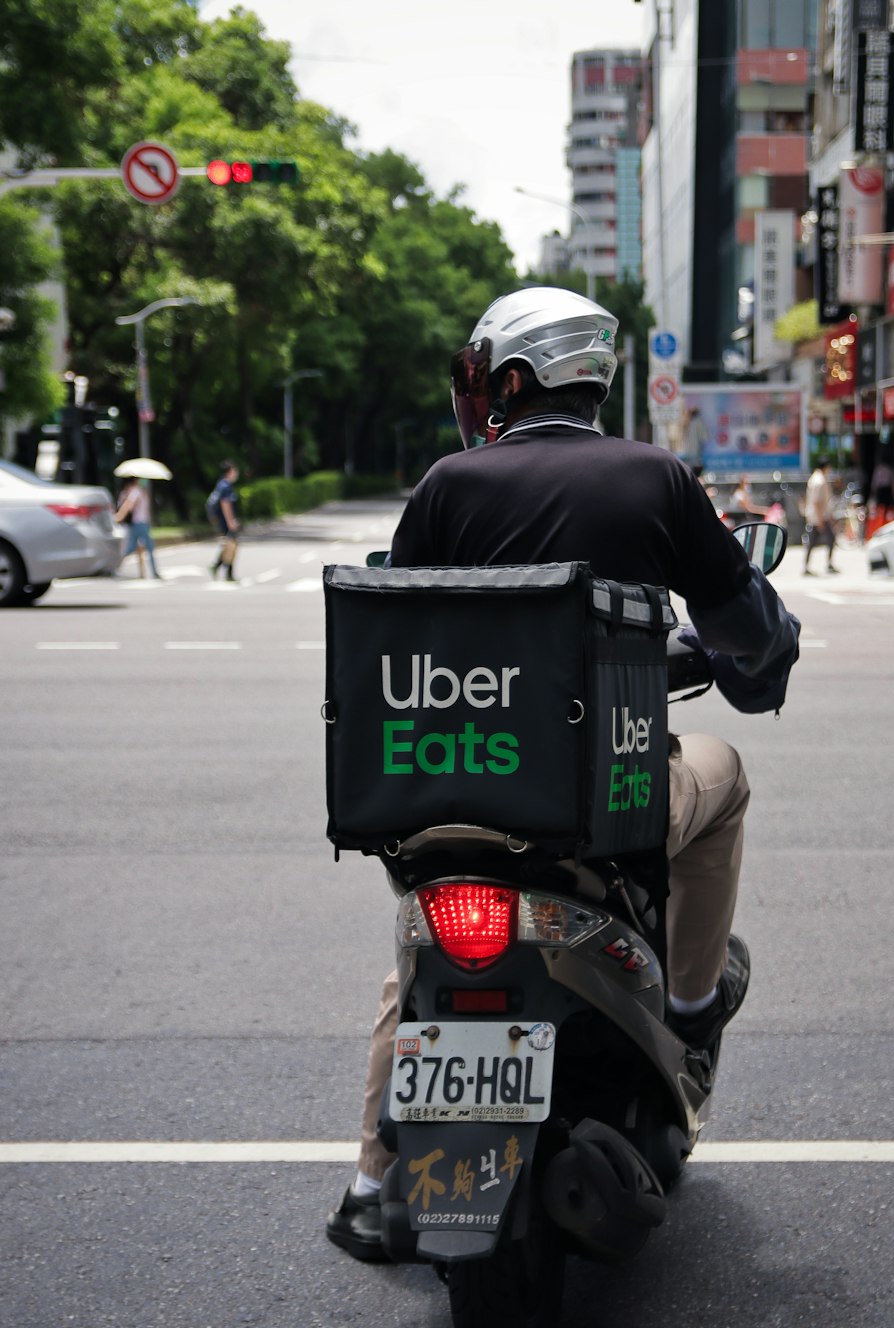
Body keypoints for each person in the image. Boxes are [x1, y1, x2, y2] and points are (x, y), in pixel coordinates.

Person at [325, 288, 801, 1260]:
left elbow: (397, 638)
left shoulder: (449, 486)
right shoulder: (655, 478)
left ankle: (374, 1182)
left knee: (416, 952)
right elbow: (745, 635)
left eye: (478, 378)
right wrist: (757, 646)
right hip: (606, 805)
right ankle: (690, 1005)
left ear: (509, 379)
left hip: (450, 801)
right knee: (725, 775)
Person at [114, 476, 161, 578]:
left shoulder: (141, 491)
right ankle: (154, 572)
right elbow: (128, 505)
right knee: (147, 546)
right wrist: (119, 516)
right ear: (136, 480)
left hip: (142, 523)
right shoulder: (135, 491)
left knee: (132, 548)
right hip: (139, 523)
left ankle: (116, 567)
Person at [802, 456, 838, 575]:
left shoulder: (815, 478)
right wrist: (821, 519)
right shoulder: (820, 480)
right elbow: (817, 502)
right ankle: (827, 564)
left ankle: (807, 566)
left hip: (816, 516)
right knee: (829, 539)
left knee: (812, 542)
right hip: (819, 517)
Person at [207, 460, 241, 580]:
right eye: (235, 470)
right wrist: (231, 521)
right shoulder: (226, 486)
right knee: (231, 546)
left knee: (230, 545)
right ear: (229, 472)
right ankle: (223, 570)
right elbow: (225, 504)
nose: (236, 473)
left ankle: (219, 568)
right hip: (225, 521)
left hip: (223, 521)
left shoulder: (221, 484)